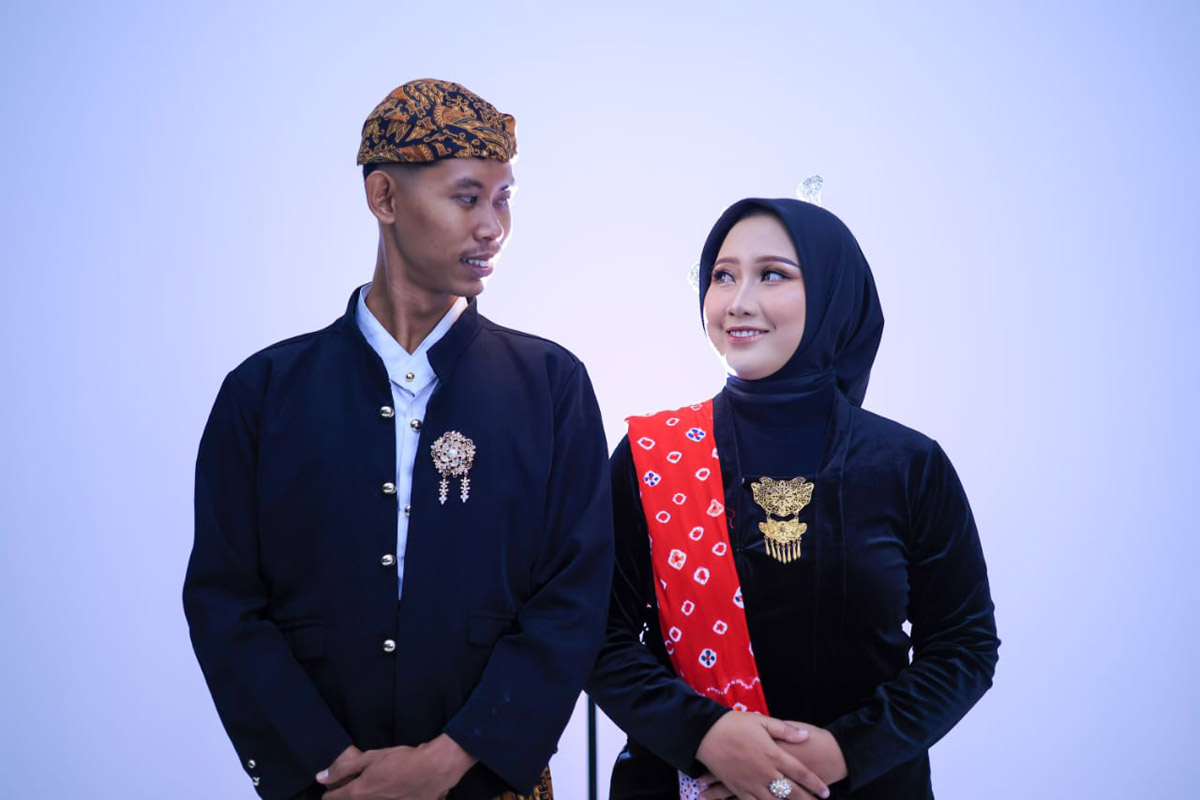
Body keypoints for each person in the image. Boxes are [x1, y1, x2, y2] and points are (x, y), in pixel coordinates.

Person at [183, 78, 613, 800]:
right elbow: (225, 604)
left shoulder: (551, 384)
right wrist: (329, 765)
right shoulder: (263, 392)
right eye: (467, 197)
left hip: (492, 786)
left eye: (504, 199)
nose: (493, 227)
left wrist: (448, 761)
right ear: (383, 198)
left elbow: (574, 596)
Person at [587, 198, 999, 799]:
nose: (738, 301)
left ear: (833, 294)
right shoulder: (653, 456)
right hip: (682, 783)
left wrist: (844, 753)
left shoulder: (908, 464)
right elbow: (596, 632)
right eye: (722, 276)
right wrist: (705, 736)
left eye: (772, 275)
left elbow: (964, 646)